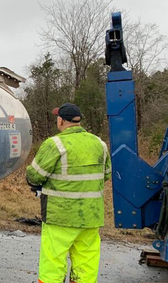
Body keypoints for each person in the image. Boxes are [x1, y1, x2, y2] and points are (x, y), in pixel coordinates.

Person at [26, 103, 111, 283]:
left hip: (60, 216)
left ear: (61, 120)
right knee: (86, 263)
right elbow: (106, 175)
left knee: (53, 261)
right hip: (90, 217)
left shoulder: (55, 144)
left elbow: (34, 175)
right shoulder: (100, 144)